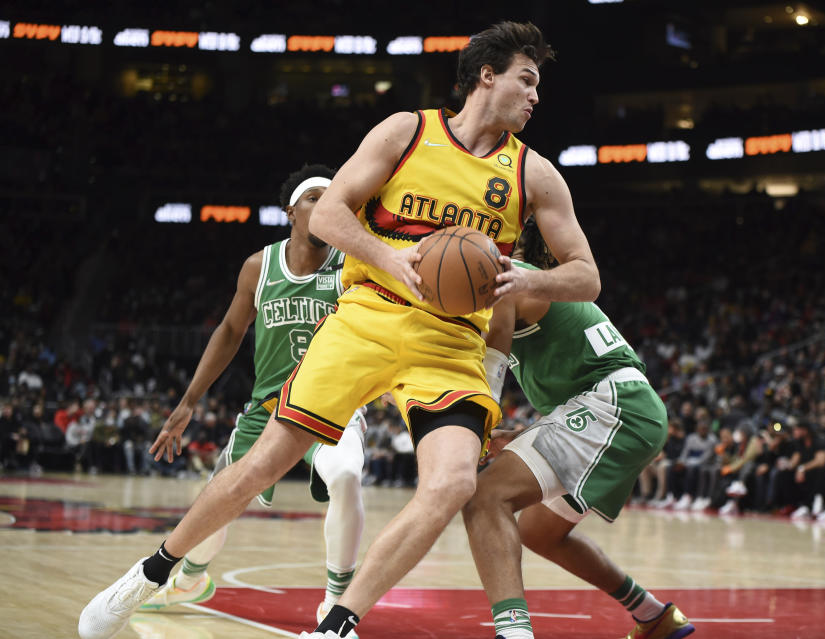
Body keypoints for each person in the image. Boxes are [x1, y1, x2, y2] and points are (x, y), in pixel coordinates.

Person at [80, 21, 600, 639]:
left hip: (450, 343)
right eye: (528, 79)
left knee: (455, 482)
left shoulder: (533, 174)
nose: (537, 95)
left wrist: (525, 279)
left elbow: (586, 276)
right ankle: (151, 572)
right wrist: (392, 258)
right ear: (487, 76)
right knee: (260, 465)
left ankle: (338, 621)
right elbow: (329, 213)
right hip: (367, 318)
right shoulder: (407, 131)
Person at [86, 164, 367, 637]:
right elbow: (231, 331)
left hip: (332, 402)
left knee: (345, 473)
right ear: (291, 213)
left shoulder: (353, 265)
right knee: (219, 505)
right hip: (268, 409)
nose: (326, 205)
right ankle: (191, 580)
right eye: (315, 198)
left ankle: (335, 604)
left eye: (333, 198)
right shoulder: (260, 266)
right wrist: (189, 401)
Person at [461, 221, 692, 639]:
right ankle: (653, 615)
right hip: (619, 407)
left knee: (484, 497)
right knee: (538, 532)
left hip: (616, 406)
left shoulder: (508, 277)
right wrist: (523, 433)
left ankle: (514, 633)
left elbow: (493, 359)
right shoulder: (524, 281)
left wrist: (475, 423)